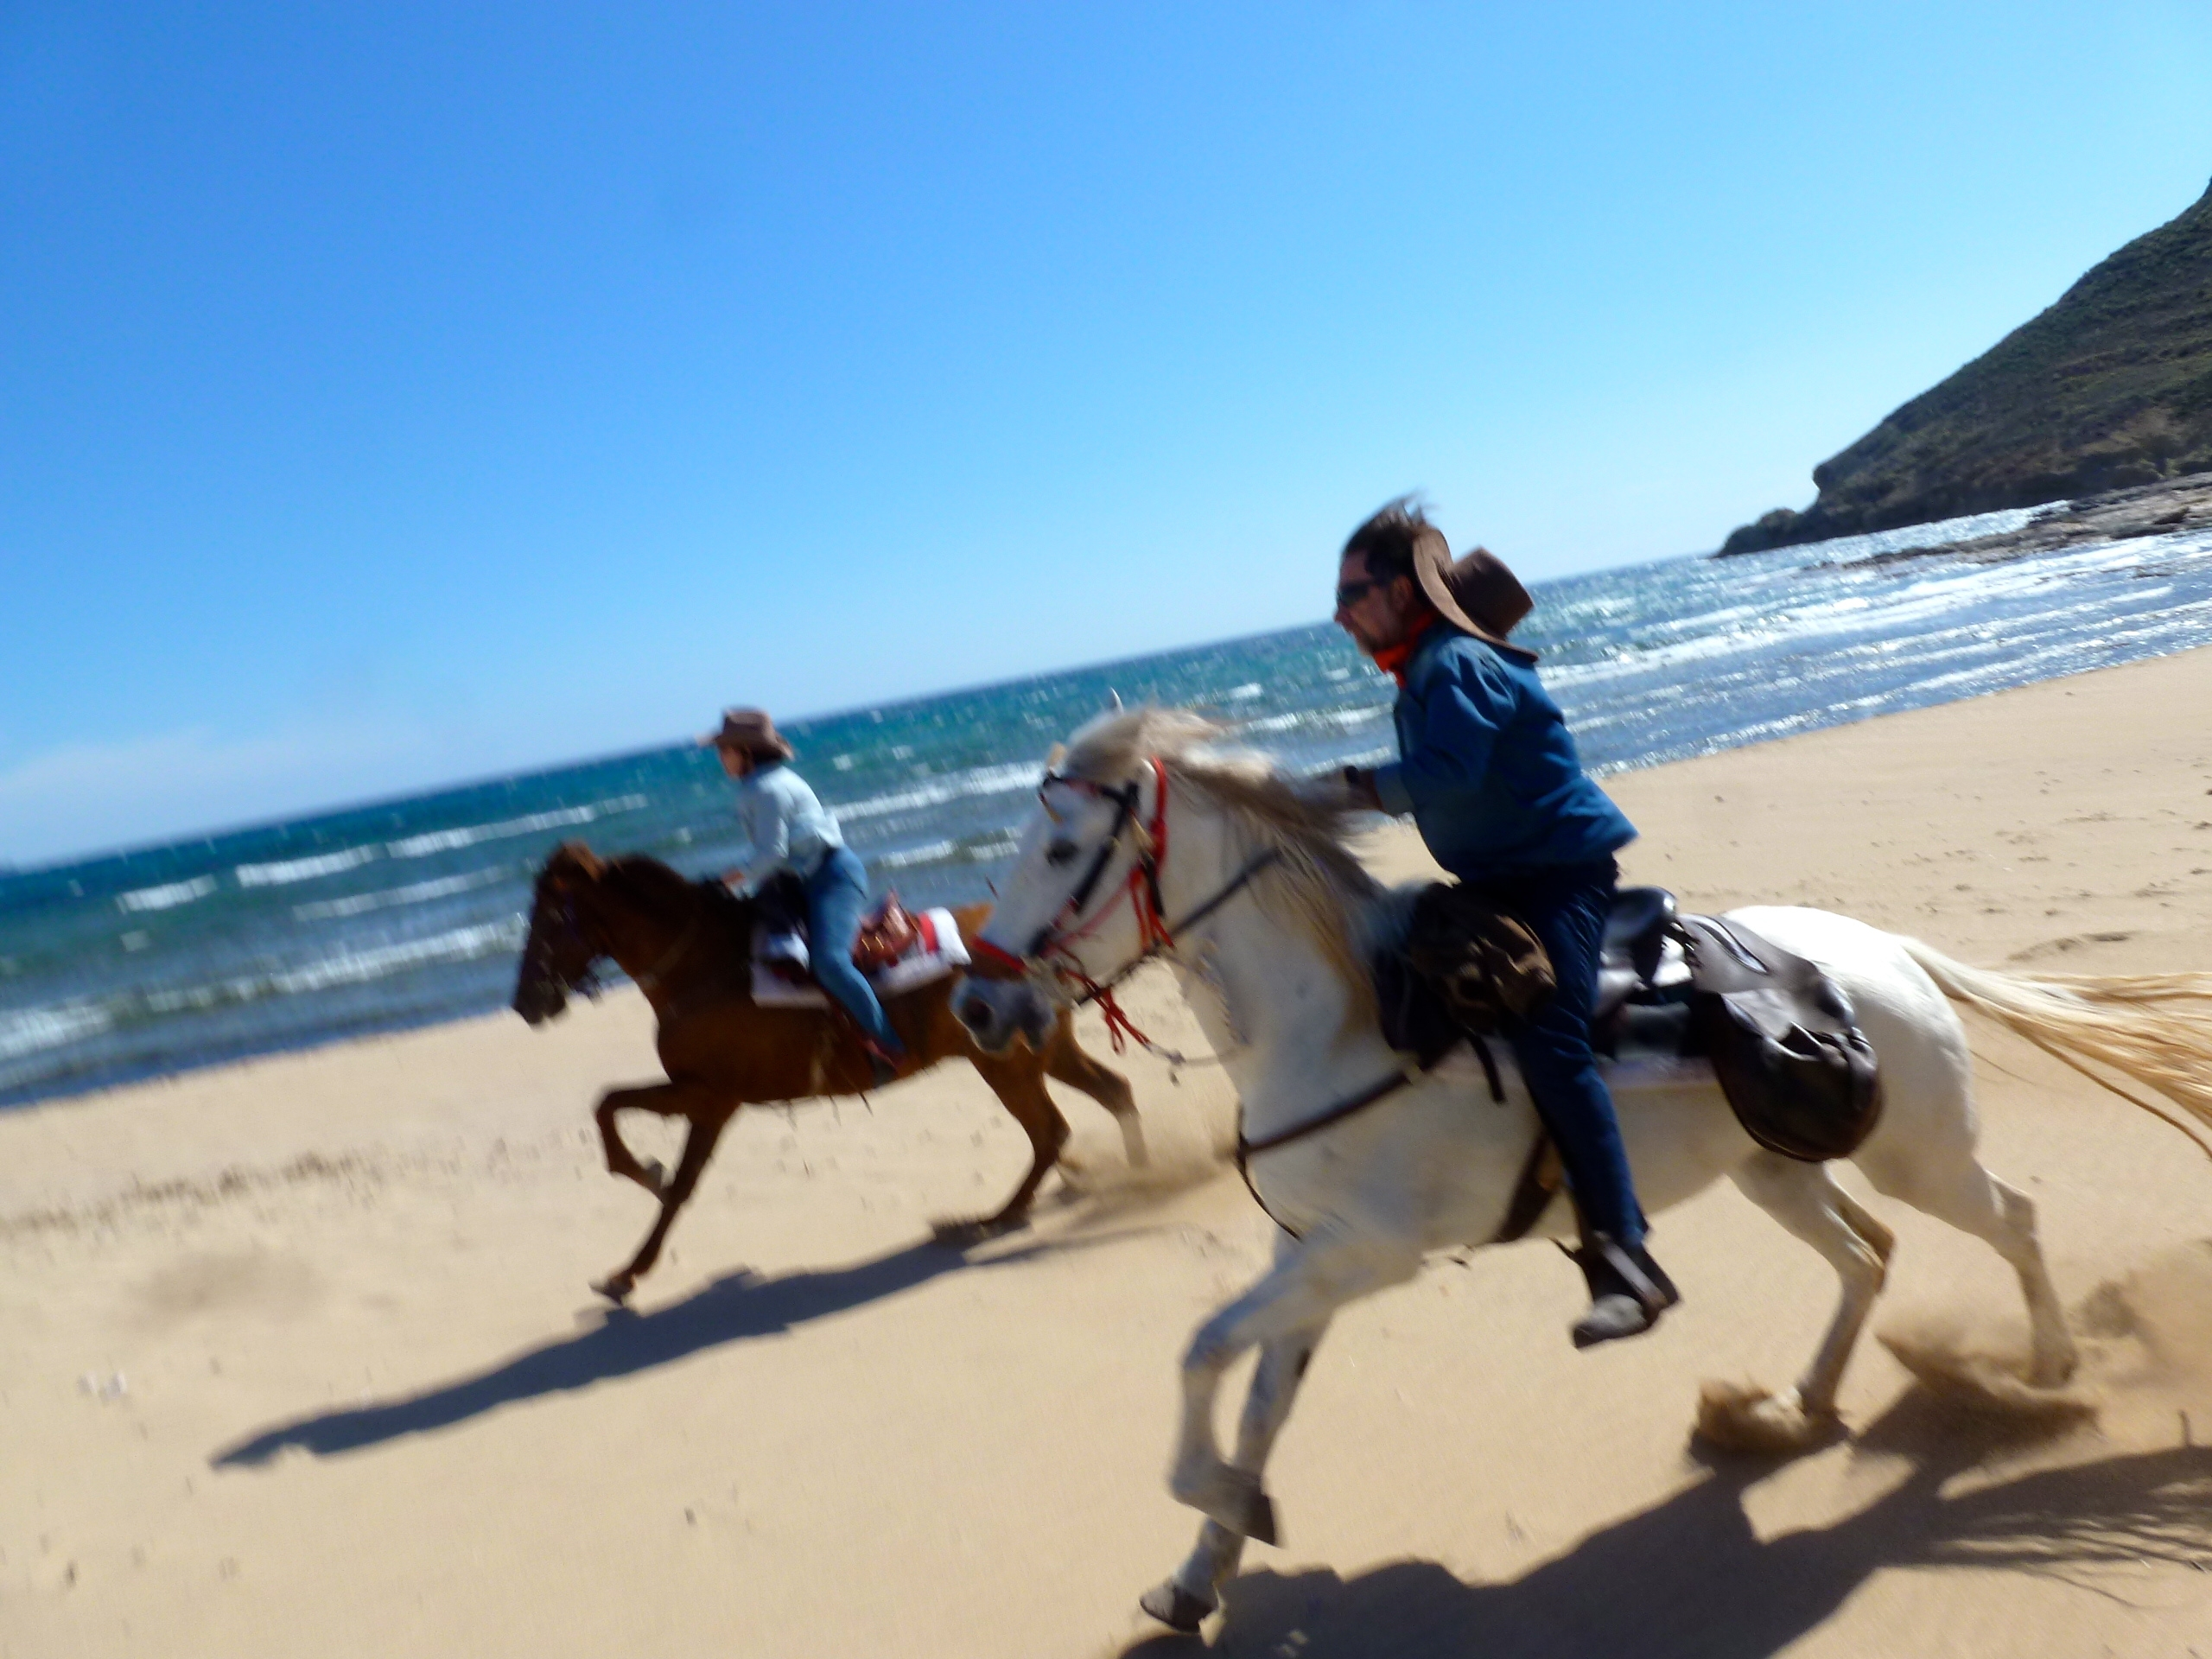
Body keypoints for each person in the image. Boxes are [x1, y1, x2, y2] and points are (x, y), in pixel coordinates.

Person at [1332, 500, 1677, 1347]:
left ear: (1405, 592)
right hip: (1493, 878)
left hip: (1557, 877)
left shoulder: (1455, 663)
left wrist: (1348, 791)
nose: (1340, 614)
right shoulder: (1423, 669)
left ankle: (1626, 1259)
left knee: (1553, 1043)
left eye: (1353, 592)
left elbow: (1451, 768)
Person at [705, 709, 907, 1088]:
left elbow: (770, 854)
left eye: (725, 750)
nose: (721, 758)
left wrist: (723, 880)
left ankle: (889, 1045)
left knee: (829, 962)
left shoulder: (766, 789)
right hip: (801, 881)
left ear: (746, 752)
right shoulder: (760, 785)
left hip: (832, 878)